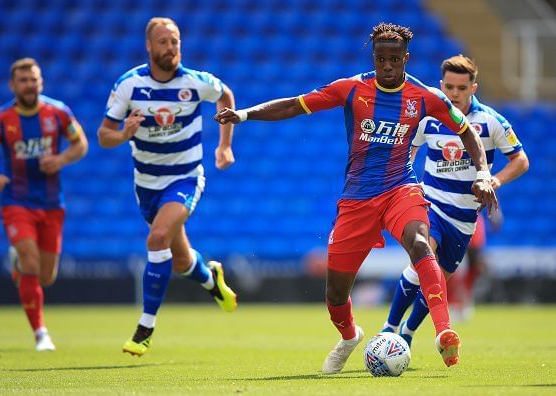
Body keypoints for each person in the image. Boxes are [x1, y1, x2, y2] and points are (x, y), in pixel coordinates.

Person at [215, 23, 497, 372]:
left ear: (406, 58)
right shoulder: (351, 88)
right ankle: (350, 336)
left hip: (400, 189)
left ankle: (444, 332)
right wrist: (244, 114)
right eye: (382, 59)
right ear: (374, 58)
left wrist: (483, 171)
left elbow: (466, 130)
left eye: (395, 59)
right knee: (335, 295)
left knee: (422, 244)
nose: (388, 66)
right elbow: (294, 105)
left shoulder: (425, 96)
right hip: (357, 200)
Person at [97, 17, 238, 357]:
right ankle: (210, 277)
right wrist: (124, 134)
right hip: (146, 184)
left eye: (174, 41)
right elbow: (104, 135)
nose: (170, 48)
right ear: (149, 46)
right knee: (179, 260)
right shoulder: (129, 86)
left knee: (157, 238)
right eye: (163, 42)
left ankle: (145, 327)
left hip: (185, 176)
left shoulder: (194, 81)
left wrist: (224, 144)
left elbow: (226, 95)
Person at [381, 55, 529, 346]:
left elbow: (521, 160)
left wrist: (493, 180)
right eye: (449, 87)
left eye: (462, 88)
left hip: (464, 218)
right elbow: (406, 154)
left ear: (474, 87)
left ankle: (407, 334)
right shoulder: (428, 118)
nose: (455, 94)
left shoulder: (491, 121)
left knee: (440, 278)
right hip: (431, 204)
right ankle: (389, 327)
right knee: (423, 260)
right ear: (441, 85)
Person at [0, 57, 88, 351]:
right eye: (23, 80)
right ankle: (41, 334)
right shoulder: (1, 120)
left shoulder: (58, 113)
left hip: (51, 202)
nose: (29, 85)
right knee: (32, 263)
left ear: (41, 82)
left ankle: (18, 263)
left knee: (46, 276)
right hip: (16, 200)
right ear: (13, 85)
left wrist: (60, 159)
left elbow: (81, 144)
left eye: (33, 79)